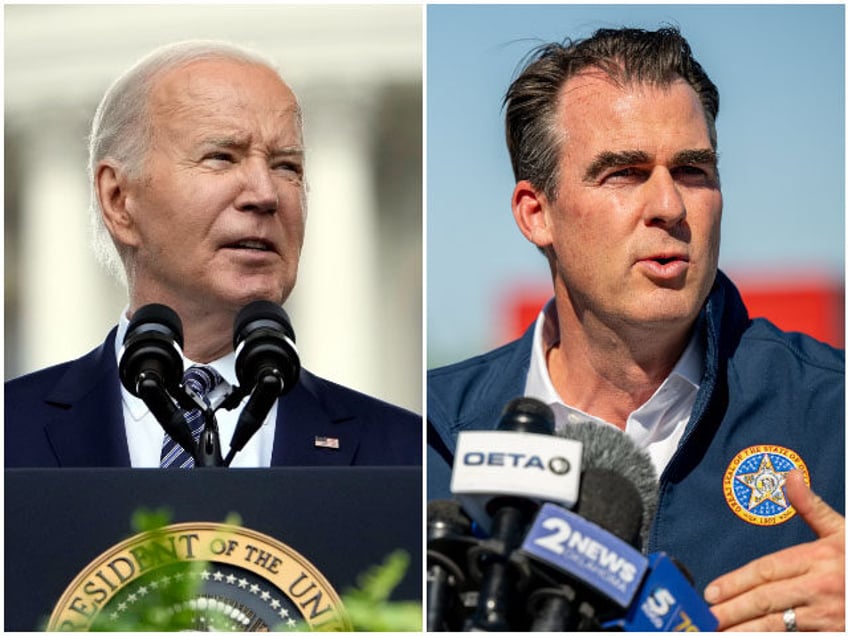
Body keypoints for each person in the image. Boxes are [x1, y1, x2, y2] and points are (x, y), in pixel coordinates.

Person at [427, 27, 844, 631]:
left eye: (694, 170)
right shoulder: (433, 435)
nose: (670, 206)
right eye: (624, 172)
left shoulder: (830, 411)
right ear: (535, 213)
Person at [6, 40, 421, 469]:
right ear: (118, 199)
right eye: (221, 157)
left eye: (287, 167)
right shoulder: (11, 434)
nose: (265, 194)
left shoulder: (402, 453)